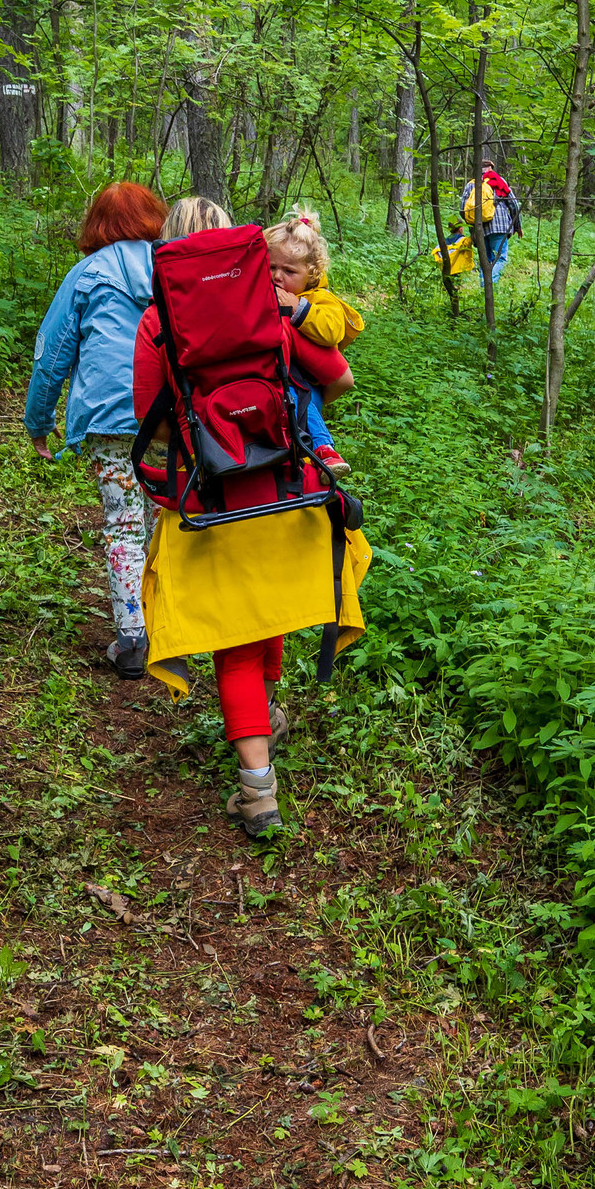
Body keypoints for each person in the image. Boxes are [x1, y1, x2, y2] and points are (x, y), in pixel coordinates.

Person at [134, 196, 372, 840]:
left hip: (211, 500)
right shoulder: (270, 307)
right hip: (286, 489)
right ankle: (265, 715)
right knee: (264, 611)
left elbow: (147, 418)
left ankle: (257, 791)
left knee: (235, 641)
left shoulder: (158, 322)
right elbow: (340, 377)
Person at [24, 180, 168, 679]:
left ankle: (132, 641)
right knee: (162, 517)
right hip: (171, 418)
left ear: (97, 225)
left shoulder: (86, 275)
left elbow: (52, 355)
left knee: (123, 525)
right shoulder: (175, 266)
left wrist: (39, 423)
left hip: (111, 419)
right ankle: (170, 628)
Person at [264, 206, 361, 477]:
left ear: (312, 274)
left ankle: (324, 451)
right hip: (282, 375)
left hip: (307, 381)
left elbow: (332, 331)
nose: (277, 276)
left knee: (293, 397)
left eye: (288, 271)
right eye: (271, 267)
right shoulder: (267, 292)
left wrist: (297, 307)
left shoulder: (320, 298)